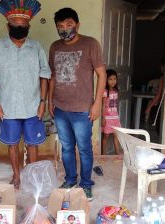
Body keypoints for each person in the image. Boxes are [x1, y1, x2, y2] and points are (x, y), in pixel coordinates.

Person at [0, 0, 51, 190]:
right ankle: (16, 175)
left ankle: (31, 176)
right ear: (8, 25)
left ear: (29, 26)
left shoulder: (36, 47)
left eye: (23, 25)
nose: (19, 28)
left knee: (32, 144)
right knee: (12, 144)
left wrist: (42, 102)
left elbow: (44, 75)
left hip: (32, 106)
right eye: (15, 25)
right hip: (7, 107)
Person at [48, 7, 106, 201]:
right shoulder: (55, 46)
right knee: (66, 147)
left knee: (84, 148)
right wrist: (50, 100)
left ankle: (86, 185)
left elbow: (102, 74)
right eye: (61, 26)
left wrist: (97, 103)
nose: (65, 29)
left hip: (82, 109)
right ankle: (70, 179)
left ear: (77, 24)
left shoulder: (90, 44)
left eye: (69, 24)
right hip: (60, 107)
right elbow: (53, 76)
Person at [101, 69, 122, 156]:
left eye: (114, 79)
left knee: (116, 135)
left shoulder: (116, 91)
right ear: (106, 80)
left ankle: (117, 154)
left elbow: (116, 104)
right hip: (107, 117)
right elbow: (103, 105)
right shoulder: (105, 92)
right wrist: (103, 117)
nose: (113, 81)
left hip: (115, 117)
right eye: (110, 79)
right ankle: (103, 154)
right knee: (106, 136)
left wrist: (117, 115)